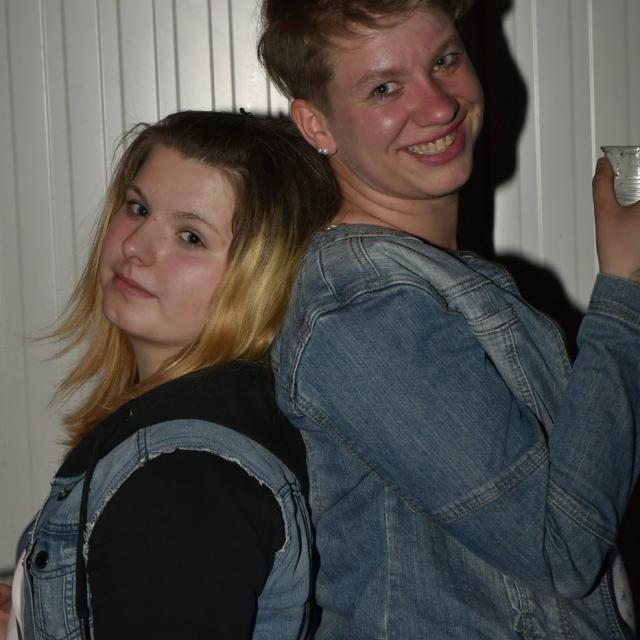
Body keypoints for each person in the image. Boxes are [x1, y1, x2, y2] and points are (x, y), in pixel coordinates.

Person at [258, 1, 640, 638]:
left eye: (444, 60)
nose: (439, 107)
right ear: (317, 124)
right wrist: (626, 290)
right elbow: (561, 550)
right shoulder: (363, 306)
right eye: (385, 88)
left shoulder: (427, 278)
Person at [0, 110, 340, 640]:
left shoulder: (181, 475)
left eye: (190, 237)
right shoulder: (212, 427)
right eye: (138, 208)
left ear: (263, 276)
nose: (134, 246)